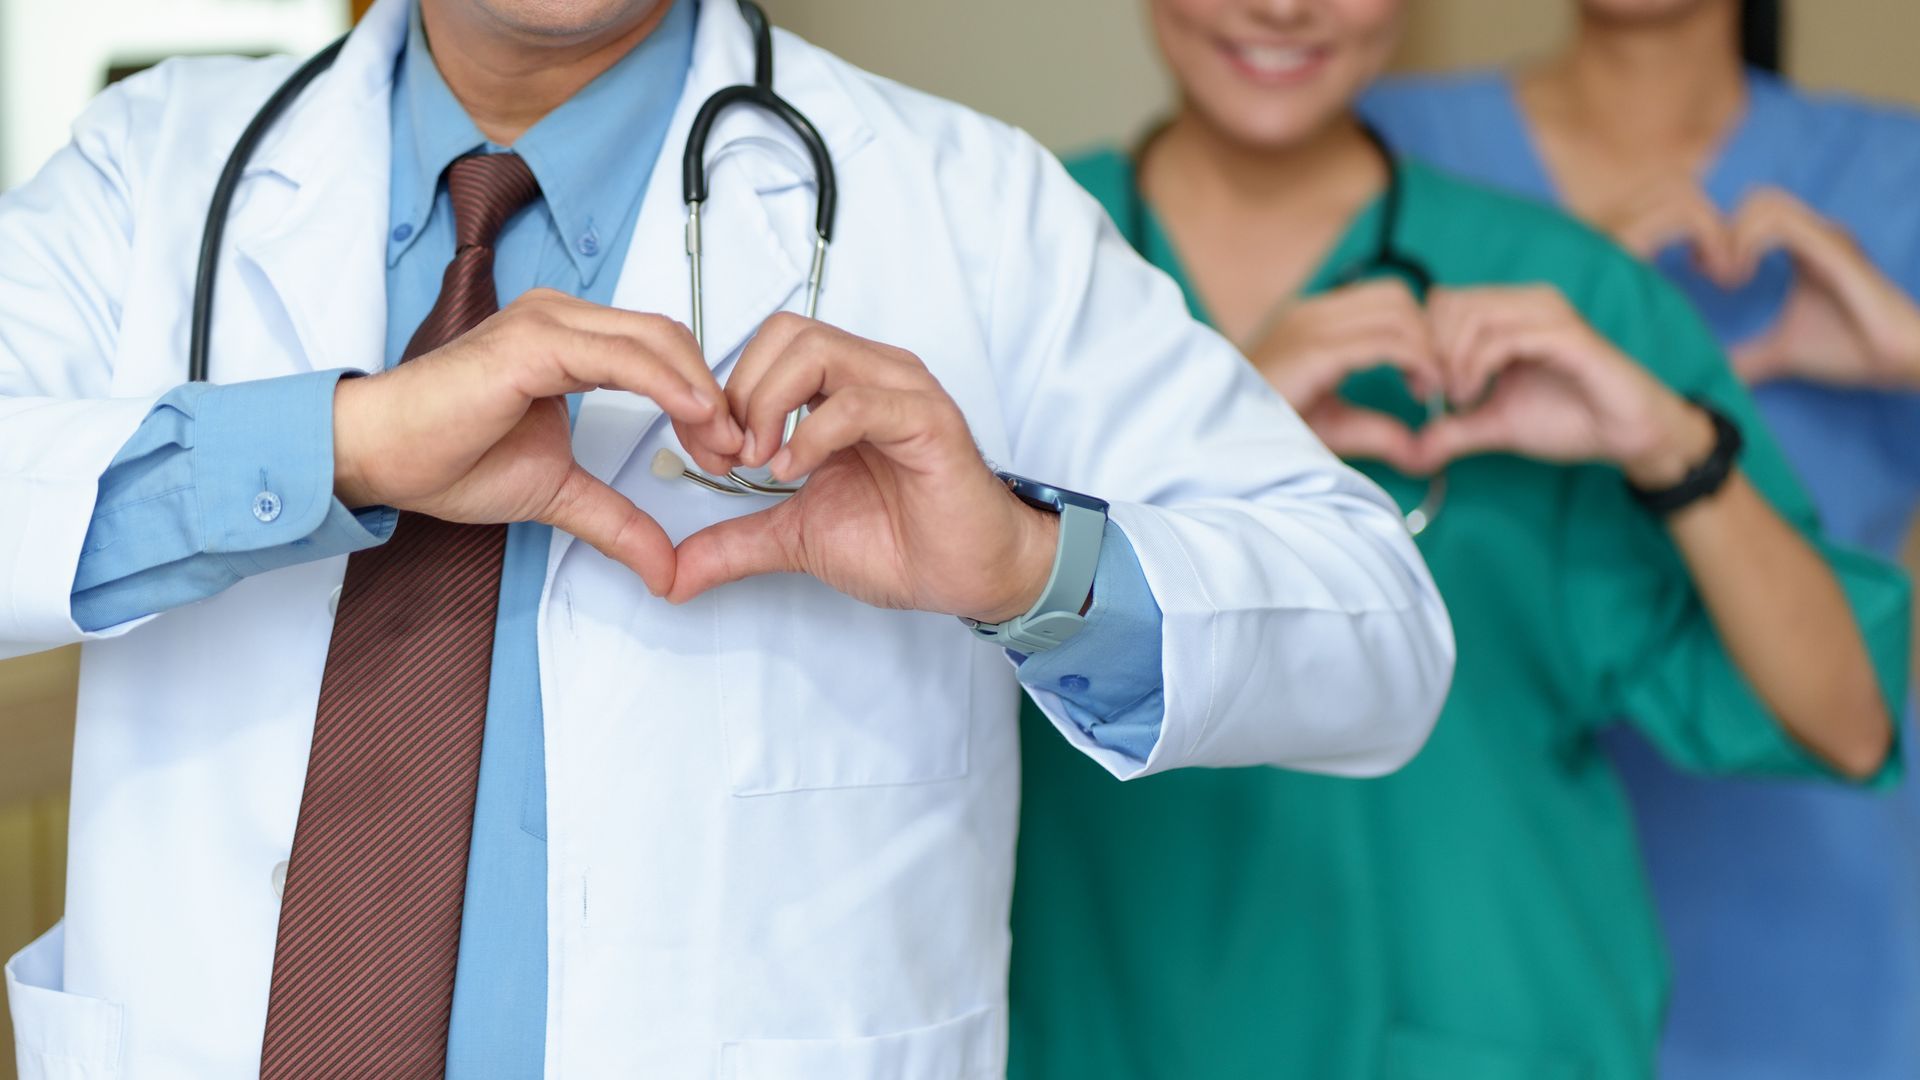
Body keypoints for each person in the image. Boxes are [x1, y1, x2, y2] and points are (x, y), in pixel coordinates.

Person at [0, 0, 1458, 1075]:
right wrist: (346, 443)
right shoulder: (150, 172)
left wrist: (1023, 566)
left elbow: (1380, 633)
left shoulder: (965, 205)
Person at [1007, 0, 1909, 1077]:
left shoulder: (1552, 285)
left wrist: (1673, 444)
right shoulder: (1003, 254)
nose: (1284, 6)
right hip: (1102, 1017)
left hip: (1480, 1027)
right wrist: (1229, 421)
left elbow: (1845, 721)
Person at [1360, 1, 1920, 1074]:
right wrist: (1576, 288)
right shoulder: (1380, 142)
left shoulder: (1895, 176)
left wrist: (1912, 353)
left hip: (1810, 925)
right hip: (1469, 907)